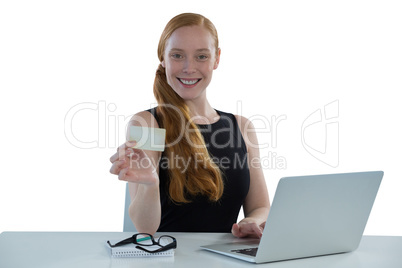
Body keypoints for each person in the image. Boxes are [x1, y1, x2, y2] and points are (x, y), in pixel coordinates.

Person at [109, 13, 270, 238]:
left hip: (228, 260)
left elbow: (260, 206)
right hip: (169, 260)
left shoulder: (242, 127)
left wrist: (251, 221)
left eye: (201, 56)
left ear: (216, 59)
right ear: (163, 58)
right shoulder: (148, 124)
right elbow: (145, 229)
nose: (188, 67)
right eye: (177, 55)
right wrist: (149, 184)